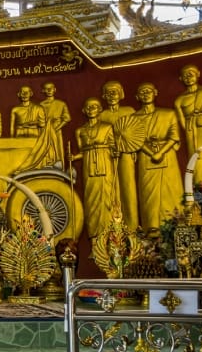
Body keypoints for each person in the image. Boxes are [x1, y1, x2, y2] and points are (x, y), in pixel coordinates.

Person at [133, 82, 183, 233]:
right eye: (142, 92)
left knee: (170, 190)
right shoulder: (134, 118)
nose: (146, 94)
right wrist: (151, 152)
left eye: (148, 91)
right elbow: (135, 140)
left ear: (155, 92)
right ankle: (151, 226)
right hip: (146, 156)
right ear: (137, 97)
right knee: (149, 192)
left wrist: (160, 152)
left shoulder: (168, 114)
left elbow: (174, 136)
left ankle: (174, 224)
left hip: (167, 154)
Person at [74, 97, 118, 241]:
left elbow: (113, 147)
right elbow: (82, 151)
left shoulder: (107, 127)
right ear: (84, 111)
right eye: (88, 107)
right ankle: (94, 237)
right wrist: (73, 157)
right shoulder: (80, 131)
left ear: (100, 110)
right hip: (89, 167)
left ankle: (110, 236)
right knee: (91, 200)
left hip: (105, 165)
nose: (91, 109)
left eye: (94, 106)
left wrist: (115, 152)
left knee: (107, 197)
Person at [100, 81, 138, 231]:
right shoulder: (102, 115)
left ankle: (132, 227)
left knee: (128, 188)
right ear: (104, 96)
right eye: (108, 92)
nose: (111, 95)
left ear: (121, 94)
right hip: (109, 155)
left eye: (114, 92)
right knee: (112, 189)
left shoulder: (129, 111)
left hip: (127, 152)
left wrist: (133, 149)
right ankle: (114, 228)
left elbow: (137, 132)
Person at [39, 81, 71, 167]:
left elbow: (67, 118)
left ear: (55, 89)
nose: (49, 90)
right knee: (45, 149)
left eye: (51, 88)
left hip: (57, 129)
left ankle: (59, 168)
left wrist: (56, 128)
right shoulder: (40, 105)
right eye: (47, 89)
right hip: (44, 131)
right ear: (43, 90)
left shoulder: (61, 104)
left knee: (57, 149)